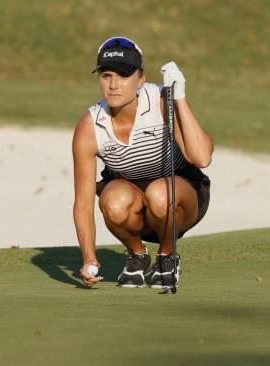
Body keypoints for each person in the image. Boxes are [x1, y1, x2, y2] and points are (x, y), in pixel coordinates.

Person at [72, 37, 213, 289]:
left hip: (181, 198)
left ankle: (167, 257)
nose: (114, 85)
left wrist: (178, 96)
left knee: (159, 194)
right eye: (106, 75)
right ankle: (138, 256)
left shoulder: (162, 101)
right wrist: (88, 258)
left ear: (141, 79)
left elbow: (202, 157)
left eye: (124, 76)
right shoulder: (89, 127)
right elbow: (83, 204)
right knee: (111, 201)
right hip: (133, 205)